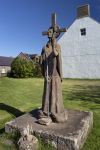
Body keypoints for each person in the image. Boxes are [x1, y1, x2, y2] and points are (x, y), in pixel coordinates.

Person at [38, 28, 67, 124]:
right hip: (47, 75)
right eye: (48, 31)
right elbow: (42, 62)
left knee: (55, 94)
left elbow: (58, 59)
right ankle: (46, 112)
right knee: (47, 94)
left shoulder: (57, 46)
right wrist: (43, 72)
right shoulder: (44, 47)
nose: (48, 33)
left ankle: (55, 112)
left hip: (55, 75)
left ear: (55, 34)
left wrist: (61, 75)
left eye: (51, 32)